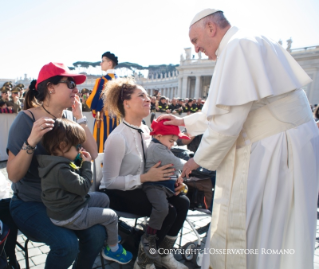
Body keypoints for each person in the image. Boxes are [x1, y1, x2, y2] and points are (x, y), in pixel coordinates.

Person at [158, 8, 319, 269]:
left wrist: (196, 160)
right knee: (276, 229)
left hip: (276, 148)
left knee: (267, 226)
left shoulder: (238, 46)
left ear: (211, 28)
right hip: (283, 142)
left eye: (195, 40)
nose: (196, 49)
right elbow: (224, 107)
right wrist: (185, 122)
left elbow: (228, 120)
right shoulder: (245, 42)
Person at [6, 62, 104, 269]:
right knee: (66, 245)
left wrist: (80, 118)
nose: (76, 89)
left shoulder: (69, 118)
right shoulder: (26, 120)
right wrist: (31, 141)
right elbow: (14, 175)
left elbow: (92, 154)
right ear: (50, 87)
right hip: (30, 203)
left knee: (98, 234)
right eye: (70, 83)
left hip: (65, 201)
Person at [99, 78, 190, 269]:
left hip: (145, 187)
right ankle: (144, 259)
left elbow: (156, 163)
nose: (148, 99)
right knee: (168, 211)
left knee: (183, 201)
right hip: (119, 193)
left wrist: (172, 180)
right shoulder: (117, 137)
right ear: (126, 103)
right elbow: (109, 182)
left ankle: (163, 255)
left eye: (148, 95)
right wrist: (146, 178)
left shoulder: (147, 131)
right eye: (141, 95)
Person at [38, 118, 133, 264]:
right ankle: (112, 249)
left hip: (70, 205)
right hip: (70, 215)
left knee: (103, 198)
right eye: (77, 146)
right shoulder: (60, 170)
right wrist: (87, 165)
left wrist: (79, 161)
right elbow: (83, 188)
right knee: (112, 216)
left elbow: (73, 181)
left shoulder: (54, 161)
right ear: (63, 146)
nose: (79, 149)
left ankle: (109, 233)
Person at [141, 119, 189, 259]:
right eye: (171, 140)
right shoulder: (156, 148)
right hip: (154, 185)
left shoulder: (163, 147)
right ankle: (149, 236)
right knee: (162, 208)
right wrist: (192, 165)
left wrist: (179, 177)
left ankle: (164, 251)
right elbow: (175, 162)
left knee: (183, 201)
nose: (172, 144)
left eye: (174, 141)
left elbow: (172, 165)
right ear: (159, 136)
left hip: (165, 186)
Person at [86, 51, 119, 153]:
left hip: (103, 118)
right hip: (117, 119)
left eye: (103, 61)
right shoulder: (119, 80)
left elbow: (92, 102)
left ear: (110, 63)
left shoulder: (102, 81)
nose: (101, 63)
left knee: (101, 144)